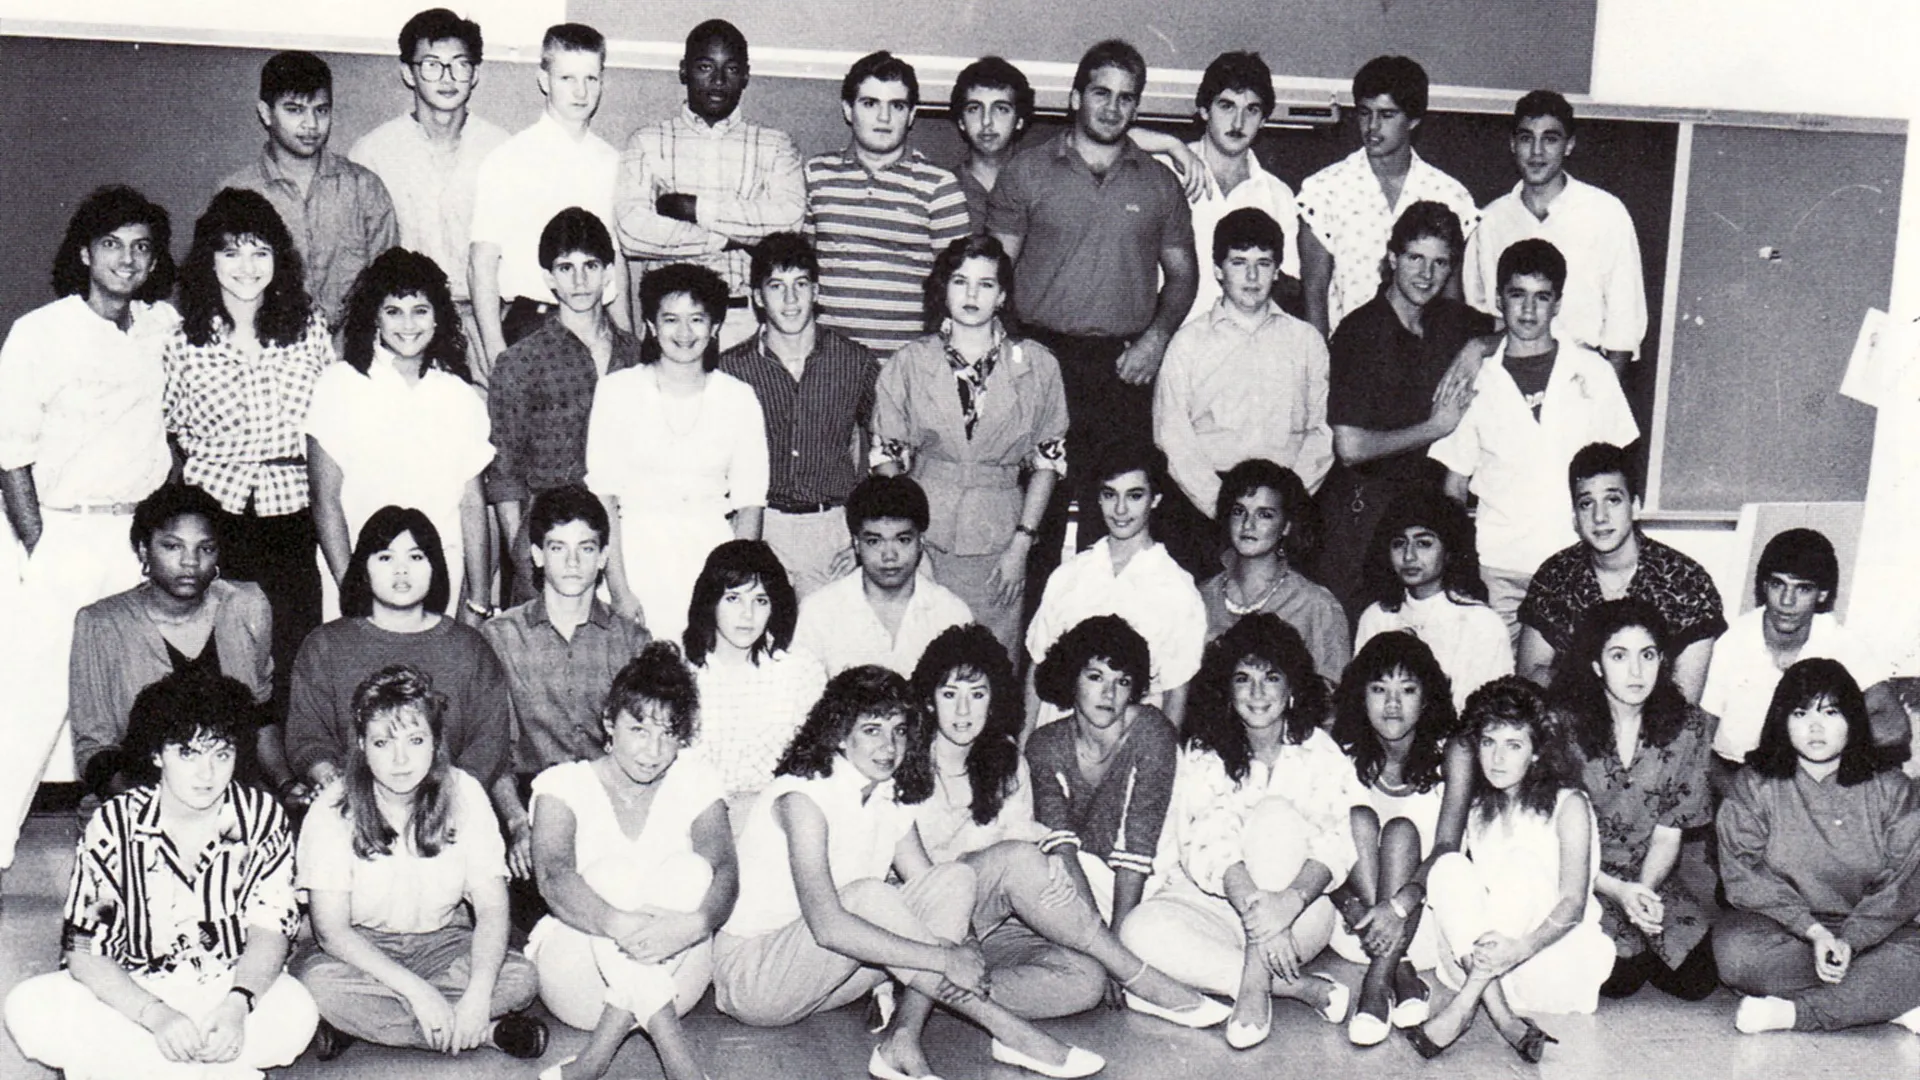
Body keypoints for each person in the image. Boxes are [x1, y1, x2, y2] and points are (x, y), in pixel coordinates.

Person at [714, 666, 1107, 1080]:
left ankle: (902, 1039)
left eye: (899, 731)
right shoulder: (803, 798)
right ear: (838, 734)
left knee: (955, 879)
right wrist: (944, 957)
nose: (889, 746)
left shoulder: (888, 795)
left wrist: (967, 945)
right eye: (872, 730)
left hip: (830, 974)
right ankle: (1011, 1033)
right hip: (757, 981)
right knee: (868, 896)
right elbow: (827, 926)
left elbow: (934, 889)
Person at [904, 624, 1229, 1025]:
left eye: (978, 694)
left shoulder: (1006, 763)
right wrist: (1041, 856)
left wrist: (1050, 864)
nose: (964, 711)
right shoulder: (903, 761)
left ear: (995, 700)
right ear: (929, 701)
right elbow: (1006, 858)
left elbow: (1031, 839)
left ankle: (928, 989)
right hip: (924, 919)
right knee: (1019, 860)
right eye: (950, 694)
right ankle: (1141, 978)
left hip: (989, 924)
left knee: (1086, 980)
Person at [3, 671, 316, 1079]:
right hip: (132, 991)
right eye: (188, 753)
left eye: (221, 754)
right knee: (27, 1007)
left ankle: (134, 1064)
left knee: (297, 1014)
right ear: (156, 754)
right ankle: (204, 1065)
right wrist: (156, 1016)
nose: (207, 773)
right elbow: (83, 948)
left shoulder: (261, 816)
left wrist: (238, 1005)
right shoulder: (115, 823)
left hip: (225, 986)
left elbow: (271, 928)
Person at [0, 185, 180, 880]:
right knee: (35, 694)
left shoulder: (160, 327)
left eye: (141, 247)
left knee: (141, 696)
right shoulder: (40, 333)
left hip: (136, 538)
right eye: (112, 245)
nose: (127, 260)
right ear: (84, 253)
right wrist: (42, 544)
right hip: (62, 531)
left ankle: (149, 857)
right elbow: (10, 452)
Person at [987, 39, 1198, 582]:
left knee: (1119, 520)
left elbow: (1183, 276)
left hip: (1123, 369)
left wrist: (1154, 341)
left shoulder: (1158, 183)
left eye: (1127, 98)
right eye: (1101, 93)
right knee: (1037, 517)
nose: (1112, 107)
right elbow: (996, 274)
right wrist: (1014, 356)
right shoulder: (1028, 173)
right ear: (1076, 96)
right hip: (1041, 359)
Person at [1119, 614, 1357, 1050]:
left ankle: (1251, 986)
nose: (1258, 692)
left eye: (1271, 678)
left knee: (1275, 816)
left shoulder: (1320, 752)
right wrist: (1259, 920)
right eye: (1243, 679)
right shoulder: (1204, 751)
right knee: (1137, 931)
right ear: (1227, 692)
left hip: (1298, 910)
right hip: (1216, 903)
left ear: (1292, 689)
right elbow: (1208, 840)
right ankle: (1295, 986)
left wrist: (1286, 904)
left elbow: (1337, 840)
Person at [293, 665, 545, 1061]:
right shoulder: (331, 806)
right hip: (362, 948)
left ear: (435, 742)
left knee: (522, 976)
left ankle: (368, 1027)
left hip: (443, 941)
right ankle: (486, 1034)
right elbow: (331, 933)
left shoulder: (465, 793)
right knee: (317, 984)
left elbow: (493, 909)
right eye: (381, 743)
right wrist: (419, 991)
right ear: (361, 744)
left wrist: (478, 995)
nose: (400, 760)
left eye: (415, 740)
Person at [163, 187, 332, 734]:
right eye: (231, 251)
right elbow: (173, 430)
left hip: (292, 508)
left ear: (279, 259)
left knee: (292, 641)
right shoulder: (181, 339)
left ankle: (290, 775)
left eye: (260, 251)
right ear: (208, 259)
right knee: (217, 647)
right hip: (216, 509)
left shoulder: (308, 325)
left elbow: (331, 416)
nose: (246, 267)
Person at [528, 643, 738, 1080]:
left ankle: (591, 1062)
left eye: (668, 733)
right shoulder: (562, 784)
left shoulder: (695, 779)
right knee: (612, 874)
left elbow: (724, 869)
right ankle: (681, 1064)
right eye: (639, 729)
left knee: (693, 870)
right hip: (580, 977)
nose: (653, 750)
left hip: (677, 966)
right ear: (610, 722)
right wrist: (619, 925)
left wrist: (694, 926)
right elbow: (552, 876)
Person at [1427, 239, 1639, 639]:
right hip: (1498, 566)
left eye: (1542, 297)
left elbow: (1620, 472)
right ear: (1498, 299)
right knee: (1497, 689)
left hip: (1576, 561)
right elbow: (1453, 485)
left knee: (1572, 686)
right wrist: (1460, 567)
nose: (1528, 310)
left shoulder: (1592, 371)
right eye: (1517, 295)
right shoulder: (1476, 377)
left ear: (1558, 303)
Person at [873, 234, 1067, 654]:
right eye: (961, 281)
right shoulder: (909, 362)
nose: (972, 294)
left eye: (986, 284)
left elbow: (1048, 462)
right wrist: (909, 540)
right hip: (925, 532)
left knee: (990, 660)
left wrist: (1022, 541)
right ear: (943, 289)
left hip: (998, 537)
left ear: (1002, 296)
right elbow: (885, 458)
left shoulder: (1037, 364)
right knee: (916, 655)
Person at [1406, 677, 1614, 1059]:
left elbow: (1573, 903)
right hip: (1486, 966)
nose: (1497, 759)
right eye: (1489, 743)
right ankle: (1505, 1020)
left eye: (1513, 745)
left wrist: (1518, 950)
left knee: (1522, 867)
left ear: (1536, 752)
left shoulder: (1570, 805)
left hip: (1548, 960)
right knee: (1447, 866)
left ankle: (1463, 1008)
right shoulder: (1479, 807)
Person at [1714, 658, 1920, 1035]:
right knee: (1737, 957)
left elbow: (1904, 882)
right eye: (1800, 712)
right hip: (1785, 930)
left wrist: (1852, 941)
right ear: (1782, 720)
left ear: (1853, 720)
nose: (1815, 727)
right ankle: (1880, 999)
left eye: (1830, 712)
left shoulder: (1892, 789)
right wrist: (1815, 933)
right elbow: (1744, 874)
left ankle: (1795, 1014)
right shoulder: (1754, 785)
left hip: (1874, 933)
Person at [1312, 201, 1493, 621]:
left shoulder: (1452, 322)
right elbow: (1350, 446)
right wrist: (1435, 427)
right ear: (1392, 259)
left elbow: (1522, 328)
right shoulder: (1361, 330)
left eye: (1439, 263)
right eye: (1415, 258)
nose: (1426, 274)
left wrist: (1477, 346)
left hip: (1426, 509)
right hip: (1363, 516)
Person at [586, 262, 769, 645]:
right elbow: (603, 496)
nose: (684, 333)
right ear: (651, 325)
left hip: (709, 556)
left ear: (715, 326)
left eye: (697, 319)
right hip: (635, 556)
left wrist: (732, 590)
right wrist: (619, 589)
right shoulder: (618, 391)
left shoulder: (739, 397)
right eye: (671, 319)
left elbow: (750, 505)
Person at [286, 507, 511, 816]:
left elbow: (489, 743)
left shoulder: (469, 647)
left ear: (435, 567)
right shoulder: (325, 645)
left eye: (416, 557)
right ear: (363, 569)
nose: (401, 570)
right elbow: (307, 736)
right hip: (350, 809)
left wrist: (446, 799)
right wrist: (335, 783)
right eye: (386, 557)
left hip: (451, 811)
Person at [307, 247, 493, 621]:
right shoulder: (338, 385)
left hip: (440, 578)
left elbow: (473, 506)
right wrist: (352, 594)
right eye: (393, 311)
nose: (408, 324)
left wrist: (478, 599)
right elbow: (325, 501)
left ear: (438, 316)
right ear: (374, 316)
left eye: (420, 310)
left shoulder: (460, 395)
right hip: (359, 580)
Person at [1552, 599, 1718, 1001]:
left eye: (1648, 655)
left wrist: (1642, 891)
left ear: (1663, 660)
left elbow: (1668, 832)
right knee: (1619, 980)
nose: (1636, 671)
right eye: (1619, 656)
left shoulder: (1687, 727)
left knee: (1698, 980)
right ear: (1596, 665)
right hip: (1577, 878)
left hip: (1648, 873)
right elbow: (1547, 839)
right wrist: (1617, 892)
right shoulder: (1559, 725)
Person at [483, 485, 650, 884]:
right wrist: (517, 823)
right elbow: (492, 750)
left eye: (586, 548)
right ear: (538, 555)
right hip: (529, 801)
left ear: (604, 556)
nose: (573, 562)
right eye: (558, 548)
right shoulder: (500, 637)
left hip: (613, 799)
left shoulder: (632, 641)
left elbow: (647, 747)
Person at [1155, 209, 1331, 580]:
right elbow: (1172, 436)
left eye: (1263, 263)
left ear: (1277, 270)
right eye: (1239, 262)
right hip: (1206, 509)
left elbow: (1322, 430)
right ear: (1218, 269)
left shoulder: (1306, 341)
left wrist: (1284, 506)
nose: (1252, 276)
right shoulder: (1188, 343)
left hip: (1286, 509)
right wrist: (1224, 508)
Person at [68, 485, 273, 799]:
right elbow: (94, 750)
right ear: (143, 550)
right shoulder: (101, 624)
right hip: (136, 799)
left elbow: (261, 718)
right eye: (172, 546)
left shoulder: (246, 604)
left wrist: (287, 786)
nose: (190, 562)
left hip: (232, 798)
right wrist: (150, 810)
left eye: (205, 548)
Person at [616, 18, 806, 352]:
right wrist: (731, 237)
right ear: (683, 71)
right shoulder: (647, 141)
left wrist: (693, 209)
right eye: (705, 67)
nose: (718, 81)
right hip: (672, 323)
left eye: (731, 69)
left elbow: (788, 222)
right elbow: (632, 232)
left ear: (745, 75)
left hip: (746, 322)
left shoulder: (775, 145)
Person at [485, 208, 644, 603]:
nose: (579, 280)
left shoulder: (637, 355)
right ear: (548, 278)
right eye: (565, 267)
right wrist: (523, 556)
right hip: (551, 532)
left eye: (590, 265)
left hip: (630, 529)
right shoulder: (520, 361)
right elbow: (505, 470)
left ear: (609, 272)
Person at [1327, 631, 1473, 1045]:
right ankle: (1399, 971)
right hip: (1357, 925)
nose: (1392, 704)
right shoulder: (1342, 752)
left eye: (1407, 690)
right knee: (1357, 817)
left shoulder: (1454, 750)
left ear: (1427, 698)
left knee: (1401, 831)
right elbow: (1323, 846)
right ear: (1361, 696)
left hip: (1424, 916)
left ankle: (1375, 987)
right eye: (1379, 689)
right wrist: (1359, 910)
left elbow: (1446, 846)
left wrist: (1398, 905)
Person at [349, 7, 510, 374]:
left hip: (482, 320)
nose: (447, 77)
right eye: (432, 64)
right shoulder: (373, 153)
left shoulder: (501, 150)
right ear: (408, 72)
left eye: (460, 64)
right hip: (403, 325)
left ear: (476, 73)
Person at [719, 232, 879, 598]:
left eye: (800, 284)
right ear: (757, 296)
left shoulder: (854, 361)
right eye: (776, 286)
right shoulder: (731, 370)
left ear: (816, 291)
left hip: (832, 531)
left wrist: (861, 537)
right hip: (758, 525)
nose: (790, 300)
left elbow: (883, 453)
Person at [470, 22, 631, 369]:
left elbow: (616, 261)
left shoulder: (613, 162)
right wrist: (497, 351)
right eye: (567, 79)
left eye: (591, 79)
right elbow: (482, 262)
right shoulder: (508, 159)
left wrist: (628, 340)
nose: (581, 92)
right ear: (544, 80)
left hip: (600, 327)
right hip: (533, 325)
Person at [1518, 442, 1725, 699]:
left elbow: (1685, 698)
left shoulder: (1686, 581)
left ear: (1635, 507)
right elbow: (1529, 680)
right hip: (1569, 726)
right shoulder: (1555, 576)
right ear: (1574, 517)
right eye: (1586, 503)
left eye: (1612, 500)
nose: (1600, 517)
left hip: (1657, 731)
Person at [1465, 91, 1647, 378]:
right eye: (1526, 138)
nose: (1536, 152)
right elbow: (1485, 313)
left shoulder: (1606, 213)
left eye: (1550, 139)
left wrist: (1601, 401)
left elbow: (1623, 327)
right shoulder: (1490, 220)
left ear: (1569, 145)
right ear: (1512, 144)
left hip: (1582, 377)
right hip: (1510, 382)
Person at [1297, 55, 1479, 339]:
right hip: (1349, 357)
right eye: (1364, 113)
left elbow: (1452, 298)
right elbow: (1314, 293)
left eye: (1386, 115)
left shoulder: (1451, 195)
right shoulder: (1323, 190)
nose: (1371, 127)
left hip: (1423, 359)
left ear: (1413, 120)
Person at [1026, 447, 1207, 725]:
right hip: (1056, 734)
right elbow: (1037, 669)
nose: (1120, 510)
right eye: (1110, 494)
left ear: (1156, 498)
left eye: (1135, 495)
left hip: (1129, 743)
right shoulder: (1069, 574)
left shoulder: (1177, 588)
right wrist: (1025, 749)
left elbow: (1176, 693)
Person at [805, 50, 970, 355]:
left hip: (907, 364)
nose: (884, 118)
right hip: (829, 365)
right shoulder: (816, 175)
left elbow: (959, 287)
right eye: (870, 103)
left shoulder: (940, 186)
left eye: (896, 106)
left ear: (911, 114)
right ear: (847, 109)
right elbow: (800, 273)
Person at [220, 50, 397, 328]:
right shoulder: (236, 193)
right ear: (266, 113)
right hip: (269, 352)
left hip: (352, 355)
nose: (311, 124)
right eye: (294, 110)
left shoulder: (364, 188)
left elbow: (389, 284)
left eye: (321, 110)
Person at [1026, 618, 1176, 940]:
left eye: (1122, 682)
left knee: (1140, 937)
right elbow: (1061, 846)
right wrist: (1100, 943)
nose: (1108, 693)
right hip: (1087, 878)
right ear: (1071, 677)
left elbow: (1138, 848)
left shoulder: (1151, 730)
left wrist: (1117, 942)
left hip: (1154, 878)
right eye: (1096, 677)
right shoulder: (1044, 745)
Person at [1702, 527, 1901, 770]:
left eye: (1803, 588)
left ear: (1822, 594)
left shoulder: (1840, 642)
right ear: (1764, 586)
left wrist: (1820, 745)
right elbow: (1697, 742)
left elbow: (1895, 727)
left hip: (1817, 773)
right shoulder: (1731, 644)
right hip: (1737, 775)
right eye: (1778, 584)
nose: (1787, 601)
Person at [950, 55, 1199, 235]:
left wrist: (1172, 144)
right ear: (960, 121)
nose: (986, 122)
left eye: (1001, 109)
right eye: (974, 109)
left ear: (1020, 120)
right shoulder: (945, 188)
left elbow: (1107, 133)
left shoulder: (1041, 166)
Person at [680, 539, 826, 806]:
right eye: (733, 598)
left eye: (760, 600)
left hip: (777, 810)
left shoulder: (800, 669)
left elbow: (813, 761)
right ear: (710, 601)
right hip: (699, 810)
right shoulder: (682, 670)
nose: (747, 614)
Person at [793, 475, 973, 677]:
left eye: (903, 540)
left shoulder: (951, 614)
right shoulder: (818, 612)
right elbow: (802, 698)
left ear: (921, 541)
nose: (889, 556)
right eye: (874, 541)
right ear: (856, 544)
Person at [1353, 489, 1514, 711]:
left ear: (1449, 551)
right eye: (1399, 543)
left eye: (1424, 543)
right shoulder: (1377, 617)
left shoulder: (1481, 624)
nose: (1409, 556)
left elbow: (1488, 715)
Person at [1196, 459, 1348, 683]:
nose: (1248, 525)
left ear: (1286, 526)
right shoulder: (1199, 598)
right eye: (1239, 511)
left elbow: (1333, 704)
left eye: (1264, 514)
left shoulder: (1317, 606)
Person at [1180, 51, 1301, 324]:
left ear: (1264, 119)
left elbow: (1285, 286)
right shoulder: (1168, 172)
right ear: (1204, 110)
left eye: (1252, 110)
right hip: (1171, 348)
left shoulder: (1278, 195)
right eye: (1226, 106)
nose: (1238, 123)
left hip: (1247, 351)